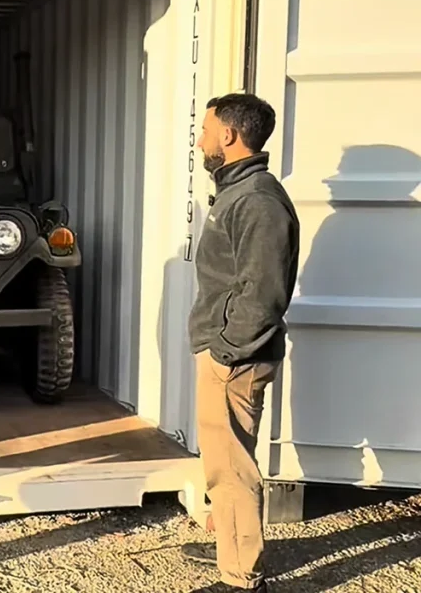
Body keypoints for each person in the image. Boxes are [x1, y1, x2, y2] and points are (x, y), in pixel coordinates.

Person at [184, 93, 300, 592]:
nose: (201, 139)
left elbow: (262, 294)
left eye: (206, 130)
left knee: (230, 471)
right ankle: (230, 547)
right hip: (229, 354)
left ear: (229, 136)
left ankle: (240, 578)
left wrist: (225, 350)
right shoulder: (240, 190)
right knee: (228, 461)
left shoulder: (256, 199)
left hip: (235, 357)